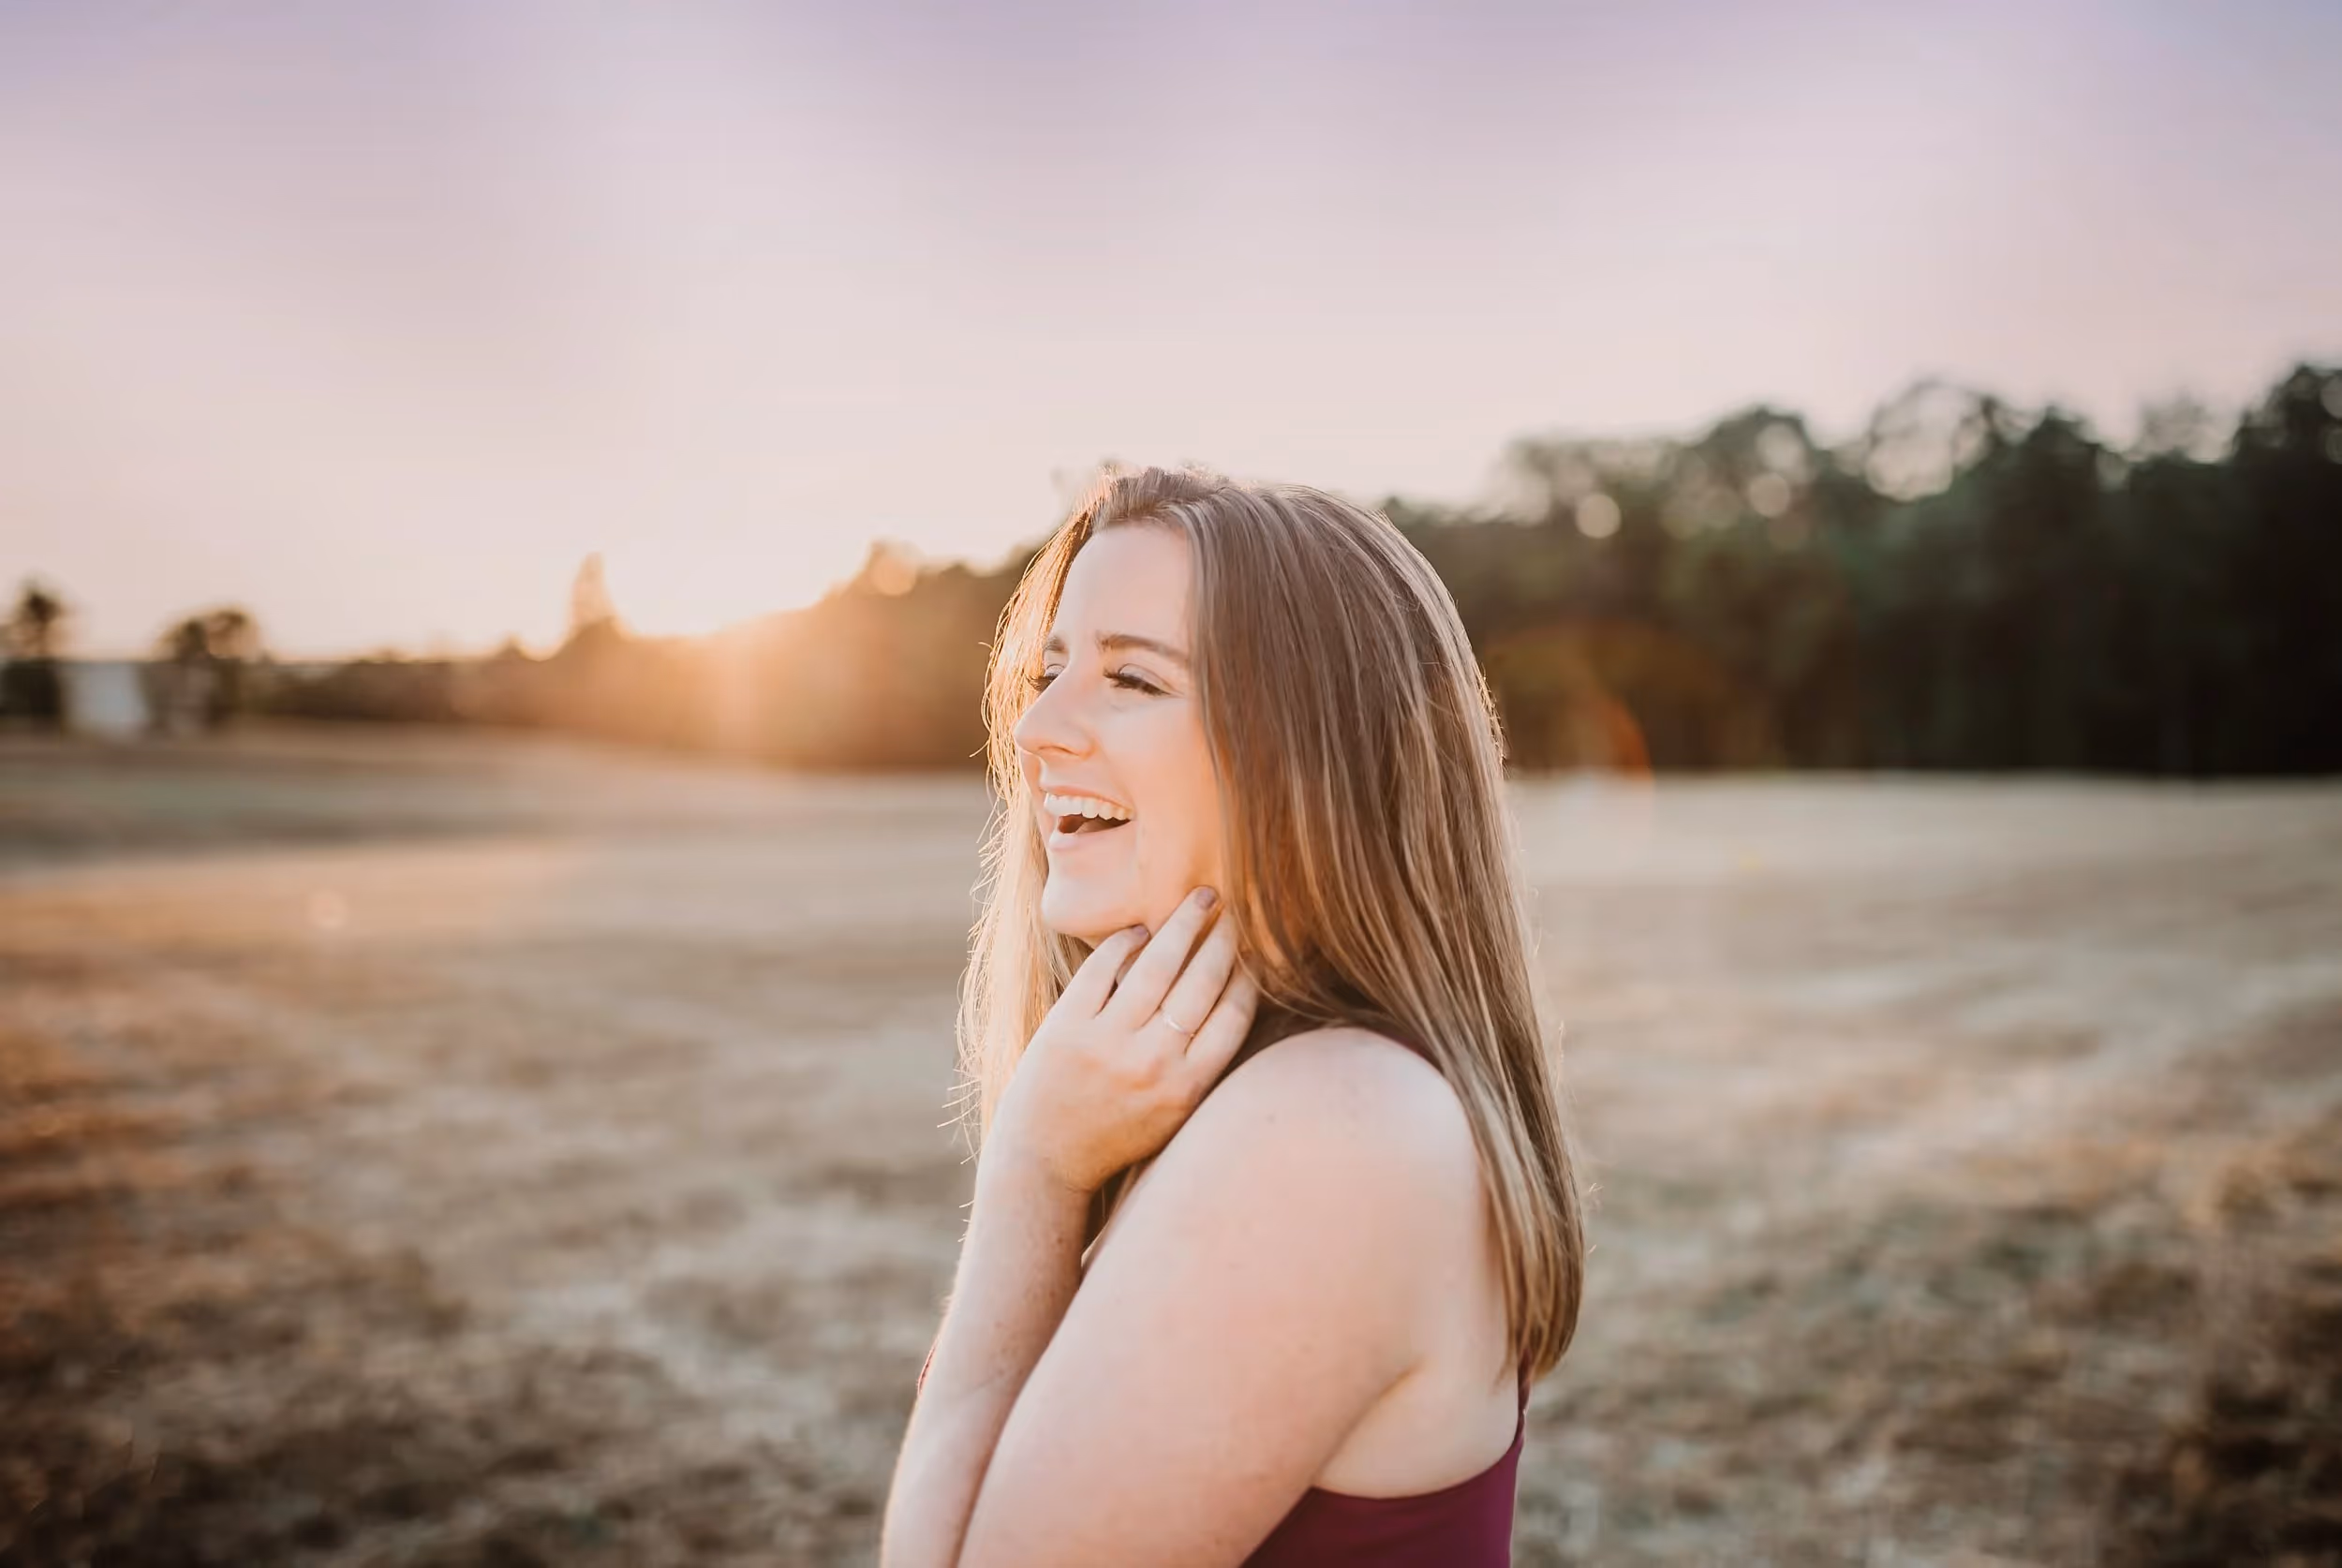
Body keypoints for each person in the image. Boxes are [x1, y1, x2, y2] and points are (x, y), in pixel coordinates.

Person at [881, 465, 1587, 1566]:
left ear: (1316, 760)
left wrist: (1032, 1171)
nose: (1036, 732)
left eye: (1132, 680)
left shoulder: (1331, 1130)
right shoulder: (1280, 1096)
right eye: (1049, 670)